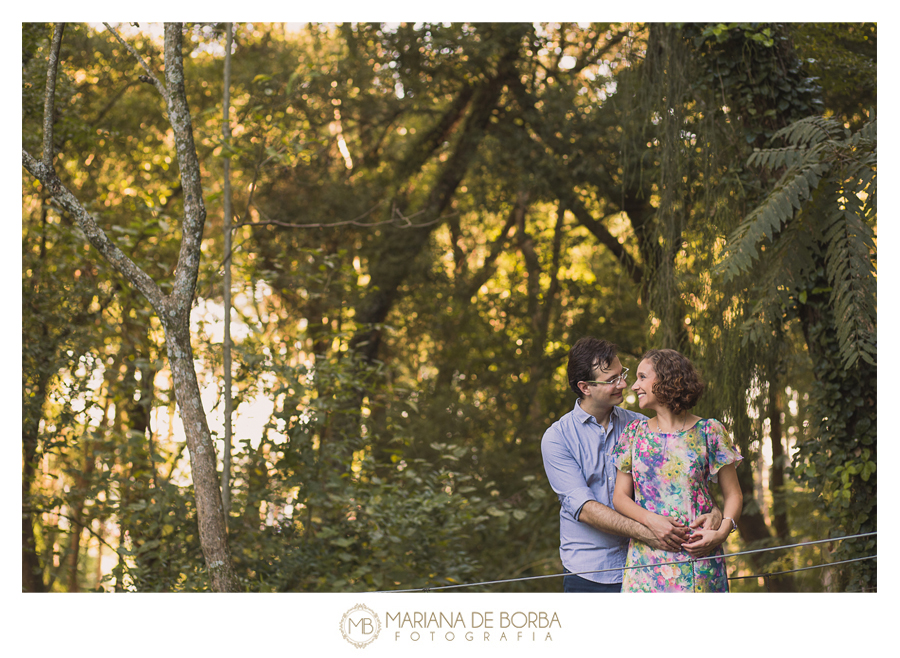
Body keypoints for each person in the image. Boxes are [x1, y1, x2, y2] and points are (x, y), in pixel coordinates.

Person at [541, 338, 721, 593]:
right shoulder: (557, 437)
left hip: (650, 566)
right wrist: (648, 531)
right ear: (585, 387)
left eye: (622, 374)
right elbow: (585, 509)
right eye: (612, 379)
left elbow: (679, 482)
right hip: (590, 572)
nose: (623, 384)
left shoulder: (641, 426)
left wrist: (715, 512)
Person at [612, 348, 743, 592]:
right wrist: (652, 521)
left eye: (642, 377)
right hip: (647, 562)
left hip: (700, 557)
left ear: (664, 379)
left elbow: (733, 494)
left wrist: (723, 531)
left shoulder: (710, 431)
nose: (633, 386)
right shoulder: (633, 434)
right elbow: (620, 497)